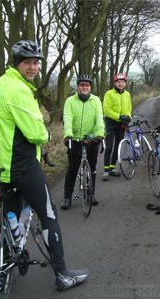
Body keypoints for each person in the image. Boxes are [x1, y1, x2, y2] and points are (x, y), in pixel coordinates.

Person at [0, 40, 88, 291]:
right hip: (21, 163)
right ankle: (63, 275)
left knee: (11, 215)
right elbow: (36, 134)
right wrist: (46, 135)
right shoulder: (18, 90)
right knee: (48, 214)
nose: (33, 67)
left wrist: (5, 127)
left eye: (36, 62)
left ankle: (5, 267)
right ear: (16, 63)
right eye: (27, 62)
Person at [61, 74, 105, 209]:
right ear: (78, 87)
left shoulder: (96, 100)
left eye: (87, 85)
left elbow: (99, 118)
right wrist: (68, 134)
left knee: (92, 168)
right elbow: (67, 118)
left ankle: (91, 195)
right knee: (72, 169)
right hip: (74, 139)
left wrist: (100, 134)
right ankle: (67, 197)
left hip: (91, 139)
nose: (84, 87)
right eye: (82, 85)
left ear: (90, 87)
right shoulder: (70, 101)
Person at [102, 72, 132, 181]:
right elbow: (106, 110)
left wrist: (128, 117)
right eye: (118, 82)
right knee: (109, 146)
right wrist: (119, 116)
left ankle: (112, 168)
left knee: (117, 147)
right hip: (110, 122)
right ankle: (105, 170)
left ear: (125, 83)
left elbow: (129, 108)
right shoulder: (109, 93)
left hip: (121, 124)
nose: (120, 84)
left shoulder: (127, 94)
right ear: (115, 83)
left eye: (122, 82)